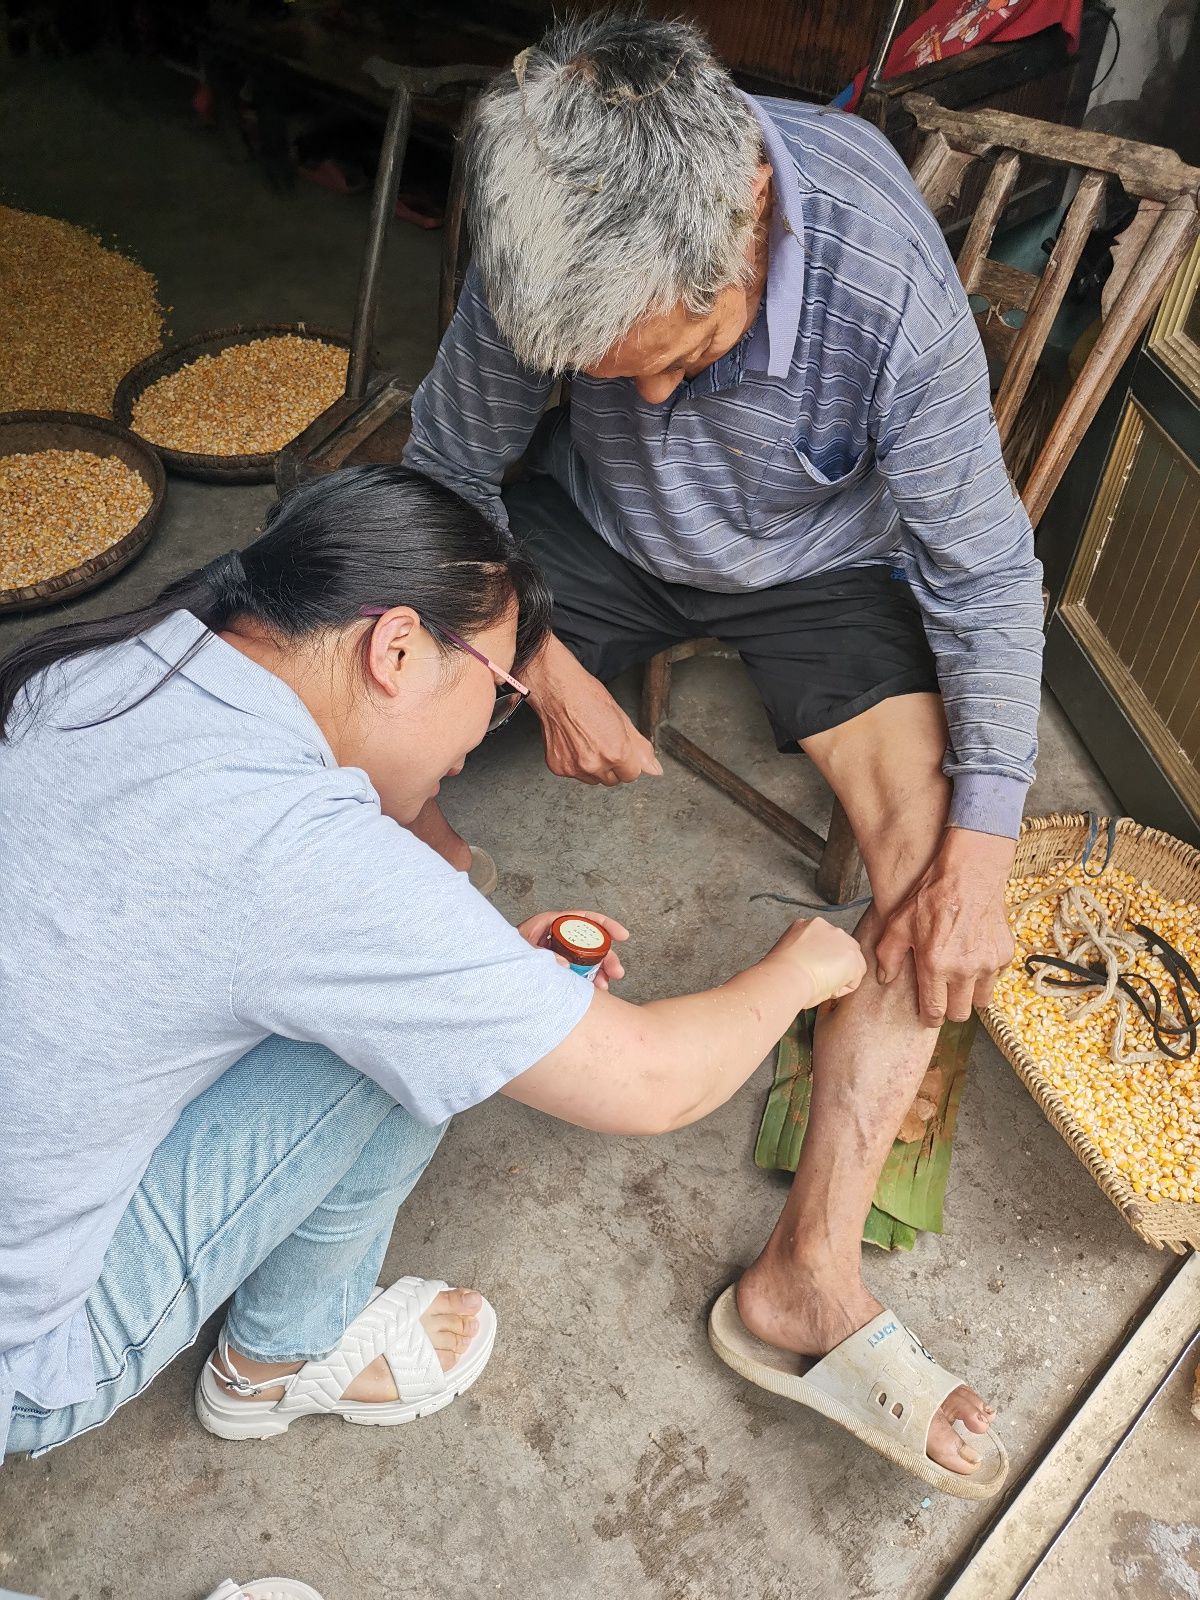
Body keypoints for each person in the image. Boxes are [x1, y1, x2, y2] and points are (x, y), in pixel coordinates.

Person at [401, 13, 1038, 1487]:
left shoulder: (880, 277)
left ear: (749, 208)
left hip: (820, 572)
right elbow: (446, 468)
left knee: (931, 874)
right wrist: (545, 662)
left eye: (683, 355)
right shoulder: (548, 226)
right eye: (617, 376)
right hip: (594, 543)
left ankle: (806, 1280)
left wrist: (986, 854)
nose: (659, 400)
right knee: (363, 679)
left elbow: (988, 577)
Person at [0, 466, 864, 1463]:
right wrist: (803, 968)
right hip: (26, 1355)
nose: (477, 739)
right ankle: (275, 1363)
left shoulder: (118, 661)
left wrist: (481, 973)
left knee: (418, 1001)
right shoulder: (302, 853)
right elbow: (653, 1082)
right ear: (398, 648)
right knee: (402, 1041)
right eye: (500, 693)